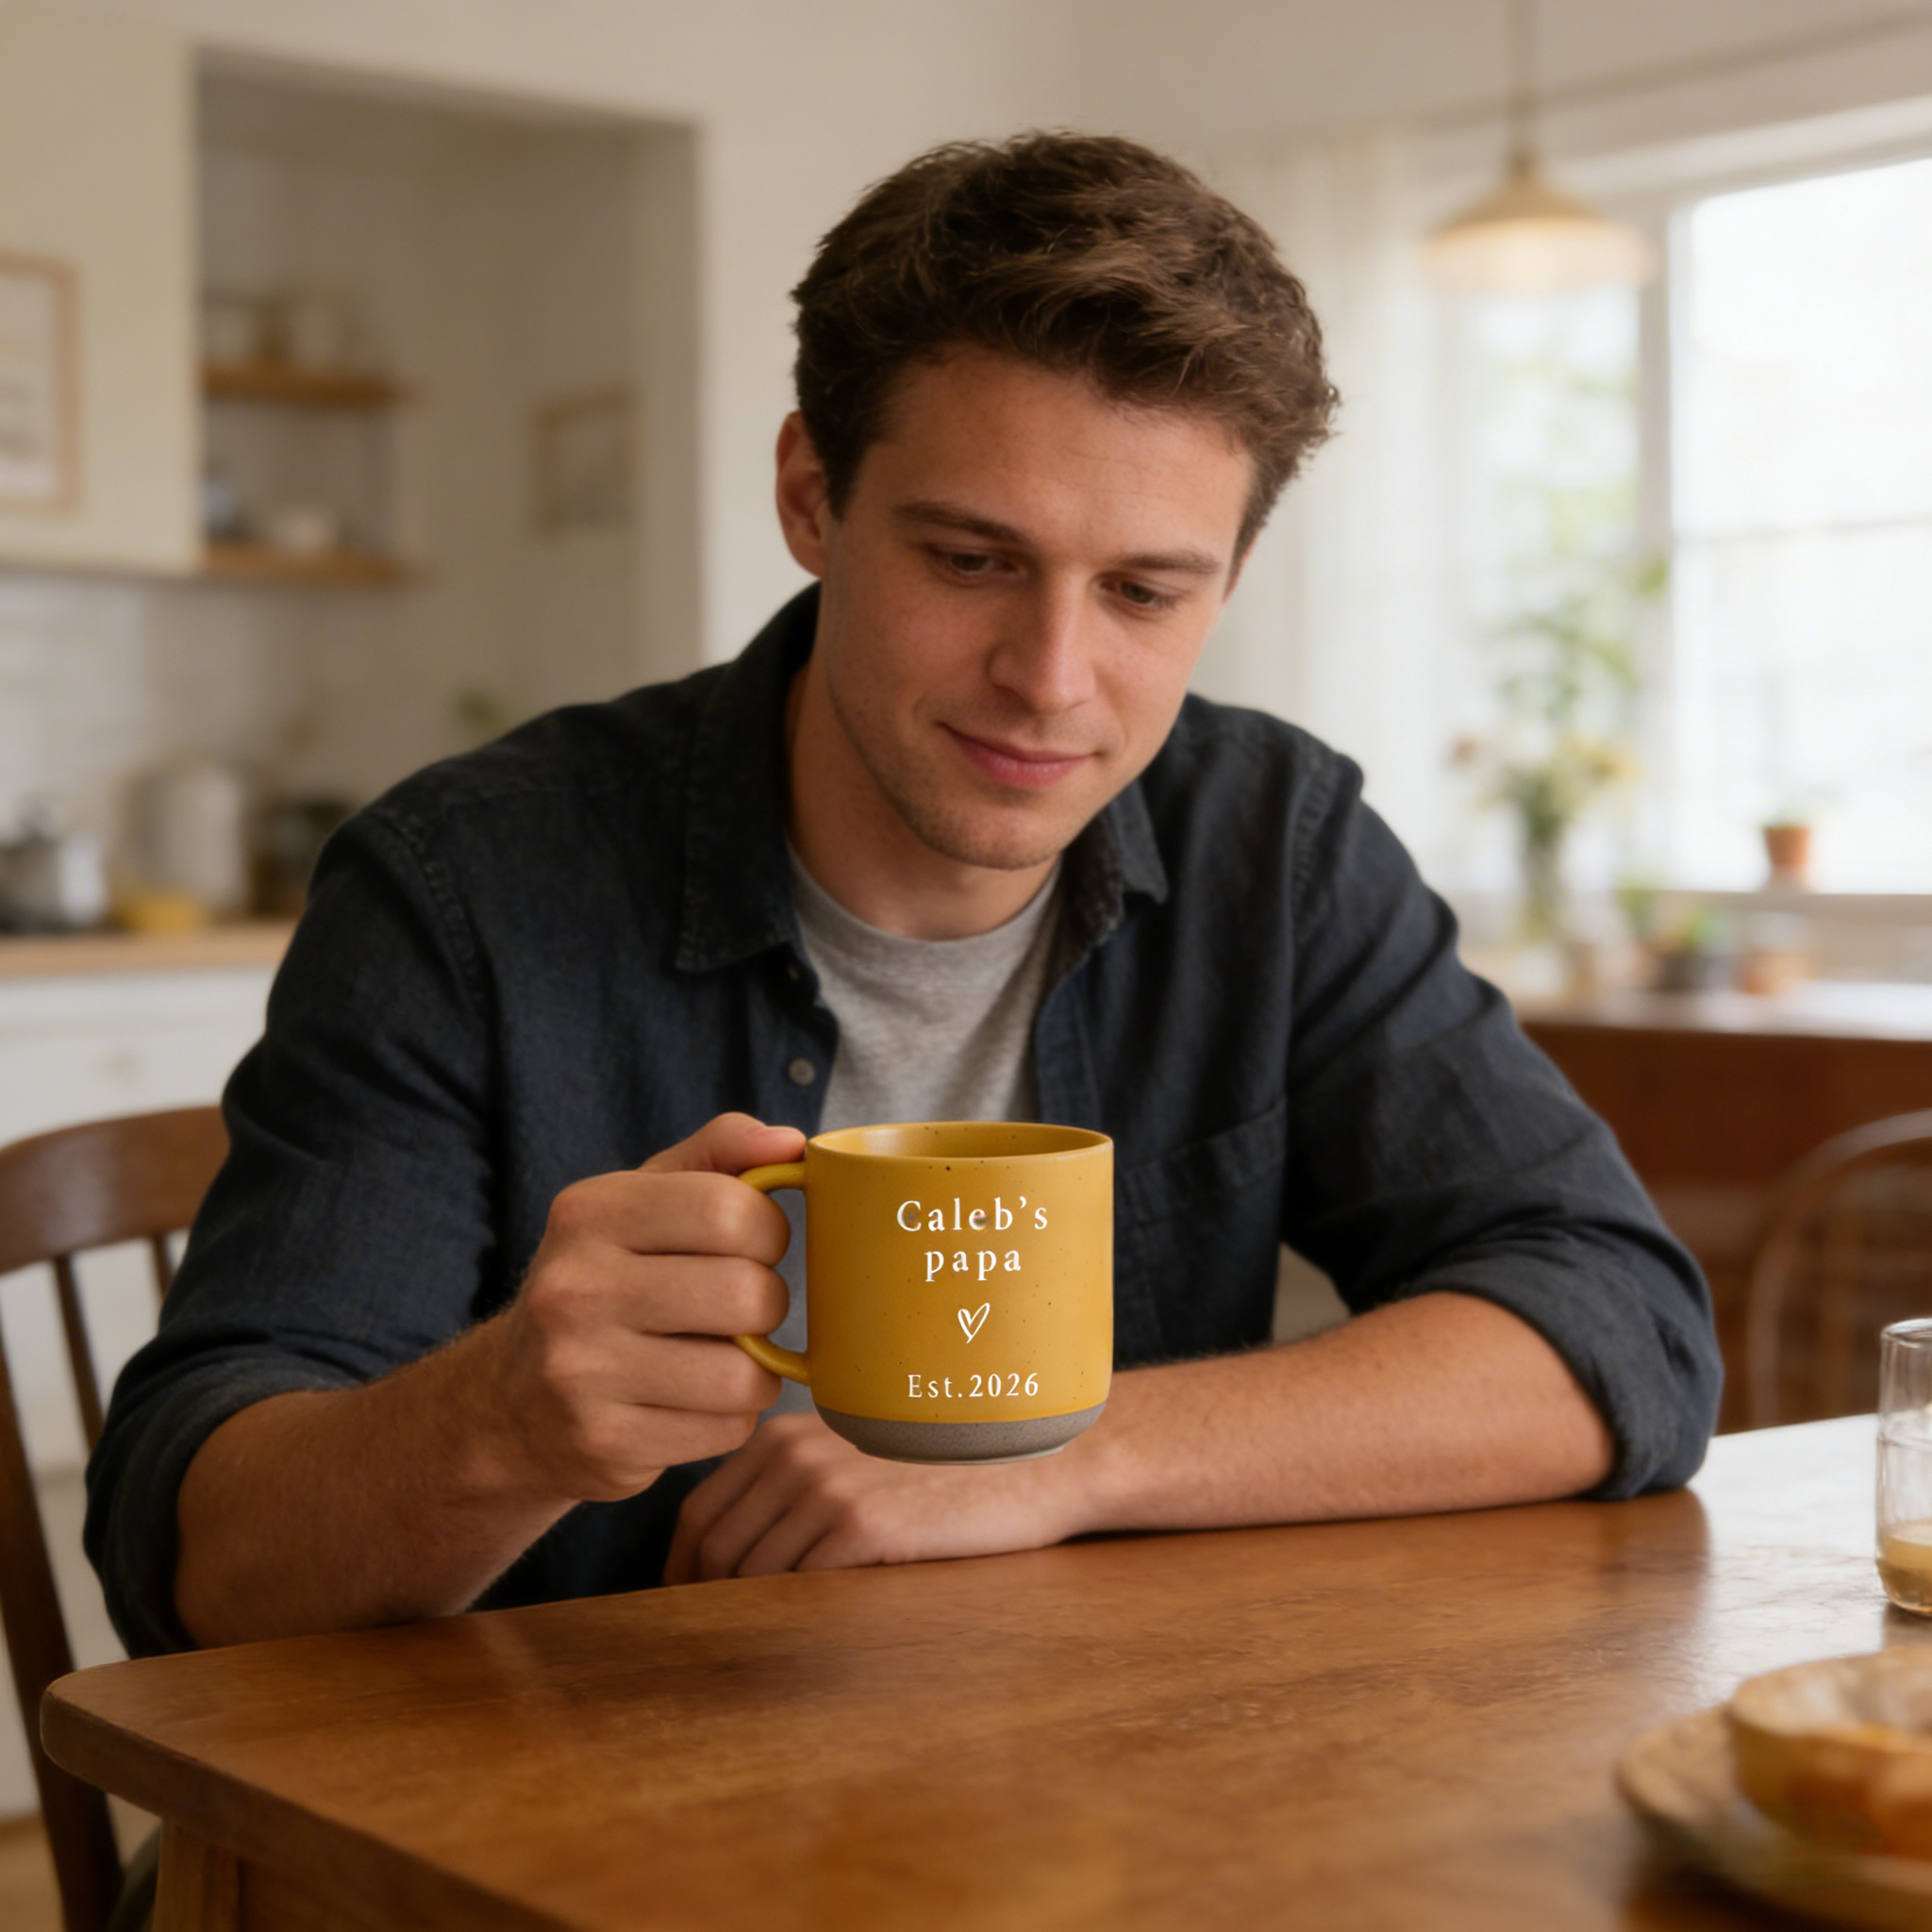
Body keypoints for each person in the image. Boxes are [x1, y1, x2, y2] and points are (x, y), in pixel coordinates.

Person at [87, 133, 1720, 1657]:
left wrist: (1069, 1460)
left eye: (1144, 592)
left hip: (1075, 1787)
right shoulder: (464, 885)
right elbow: (200, 1566)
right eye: (970, 560)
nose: (1052, 680)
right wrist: (502, 1421)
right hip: (535, 1798)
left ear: (1227, 579)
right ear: (813, 496)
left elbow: (1618, 1326)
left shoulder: (1274, 843)